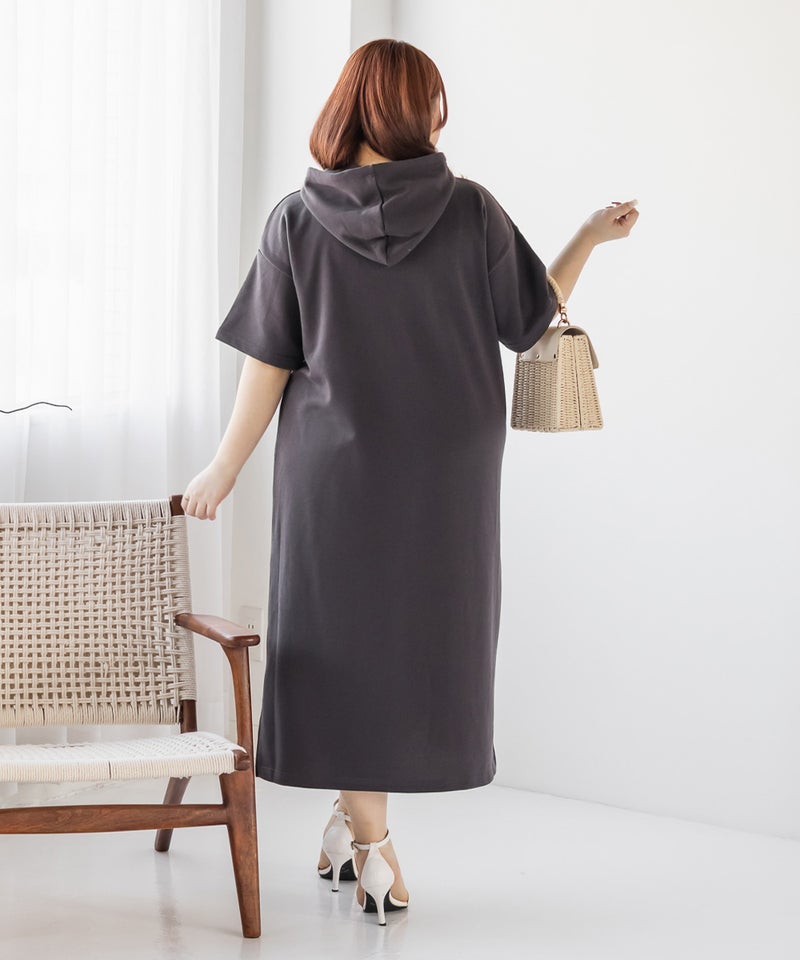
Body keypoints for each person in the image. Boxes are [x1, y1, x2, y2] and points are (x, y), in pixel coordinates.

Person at [182, 38, 639, 924]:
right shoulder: (468, 209)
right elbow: (531, 321)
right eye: (434, 104)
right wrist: (589, 236)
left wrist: (224, 464)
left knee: (343, 641)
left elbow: (268, 364)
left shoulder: (295, 221)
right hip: (449, 468)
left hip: (333, 471)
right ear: (410, 110)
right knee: (420, 643)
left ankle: (364, 836)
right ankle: (365, 837)